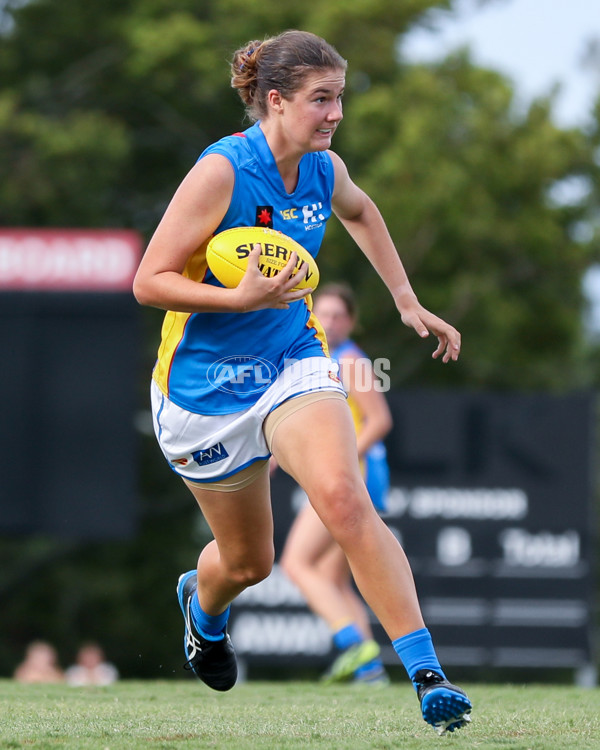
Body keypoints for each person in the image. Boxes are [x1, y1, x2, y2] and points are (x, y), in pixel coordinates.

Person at [133, 30, 472, 734]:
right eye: (323, 99)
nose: (336, 113)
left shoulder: (324, 170)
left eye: (340, 97)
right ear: (277, 101)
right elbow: (148, 281)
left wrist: (406, 300)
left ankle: (427, 673)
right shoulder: (222, 171)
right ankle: (204, 608)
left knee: (345, 501)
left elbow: (361, 212)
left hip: (292, 361)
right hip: (204, 393)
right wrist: (236, 299)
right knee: (248, 563)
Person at [279, 282, 393, 686]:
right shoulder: (323, 358)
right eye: (321, 313)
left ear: (351, 321)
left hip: (353, 477)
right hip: (354, 475)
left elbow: (380, 421)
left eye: (336, 315)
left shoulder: (351, 360)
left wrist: (339, 462)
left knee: (296, 563)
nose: (327, 321)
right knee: (333, 581)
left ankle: (353, 644)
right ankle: (370, 672)